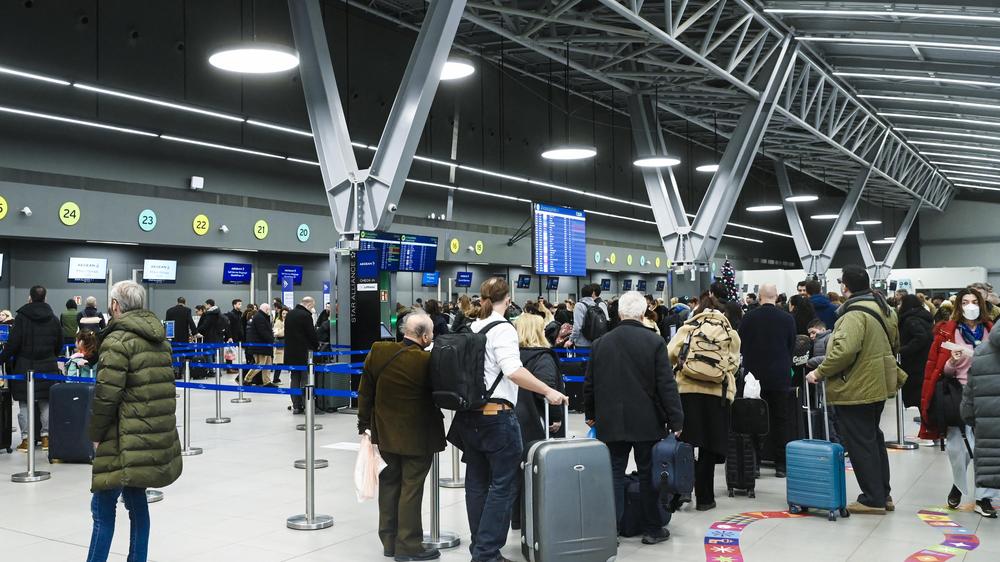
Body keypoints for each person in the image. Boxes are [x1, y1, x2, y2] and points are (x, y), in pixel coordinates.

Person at [448, 277, 567, 562]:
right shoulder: (503, 328)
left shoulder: (472, 327)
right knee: (504, 484)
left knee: (476, 482)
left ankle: (480, 546)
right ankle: (487, 553)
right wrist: (549, 390)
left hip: (469, 417)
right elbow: (513, 370)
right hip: (497, 418)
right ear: (508, 297)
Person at [87, 281, 182, 562]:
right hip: (149, 434)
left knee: (102, 509)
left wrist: (96, 433)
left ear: (115, 305)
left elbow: (107, 396)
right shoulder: (160, 339)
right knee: (137, 503)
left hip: (121, 435)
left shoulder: (116, 341)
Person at [806, 264, 904, 515]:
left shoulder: (852, 315)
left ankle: (872, 499)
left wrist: (819, 371)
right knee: (873, 437)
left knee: (861, 442)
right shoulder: (885, 308)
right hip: (879, 381)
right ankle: (883, 493)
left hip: (858, 385)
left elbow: (844, 351)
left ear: (845, 286)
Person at [586, 291, 683, 542]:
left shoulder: (600, 343)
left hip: (610, 421)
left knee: (614, 476)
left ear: (619, 313)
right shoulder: (654, 342)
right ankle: (652, 529)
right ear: (643, 313)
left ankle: (611, 531)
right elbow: (666, 385)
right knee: (647, 473)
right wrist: (676, 420)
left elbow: (590, 384)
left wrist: (591, 414)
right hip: (647, 421)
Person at [357, 312, 445, 561]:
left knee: (389, 485)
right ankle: (409, 545)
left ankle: (389, 541)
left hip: (384, 434)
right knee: (411, 488)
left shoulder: (379, 351)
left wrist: (364, 424)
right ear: (425, 335)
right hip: (418, 437)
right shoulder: (427, 361)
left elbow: (365, 392)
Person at [919, 288, 998, 516]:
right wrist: (952, 362)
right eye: (965, 301)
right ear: (958, 305)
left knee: (985, 450)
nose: (970, 306)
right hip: (958, 393)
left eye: (974, 301)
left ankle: (984, 498)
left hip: (987, 394)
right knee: (958, 447)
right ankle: (959, 483)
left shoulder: (991, 331)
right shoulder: (946, 332)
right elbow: (940, 369)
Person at [668, 292, 739, 510]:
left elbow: (670, 353)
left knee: (686, 443)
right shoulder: (730, 333)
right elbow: (733, 365)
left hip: (687, 391)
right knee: (709, 445)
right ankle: (706, 499)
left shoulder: (687, 329)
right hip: (717, 395)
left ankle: (682, 493)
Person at [510, 311, 564, 529]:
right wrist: (557, 418)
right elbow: (548, 389)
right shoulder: (542, 357)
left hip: (512, 419)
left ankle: (516, 518)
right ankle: (533, 518)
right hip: (535, 421)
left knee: (515, 470)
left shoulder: (510, 357)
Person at [739, 284, 797, 477]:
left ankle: (753, 464)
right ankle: (781, 465)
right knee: (781, 420)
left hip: (753, 378)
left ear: (760, 296)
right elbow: (791, 346)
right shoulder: (788, 319)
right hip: (780, 376)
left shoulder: (748, 317)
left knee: (753, 420)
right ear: (776, 296)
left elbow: (742, 344)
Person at [0, 285, 61, 451]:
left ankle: (26, 440)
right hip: (48, 367)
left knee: (25, 404)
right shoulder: (54, 319)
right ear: (45, 298)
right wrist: (51, 356)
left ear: (30, 298)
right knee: (46, 403)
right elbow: (59, 345)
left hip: (24, 367)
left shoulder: (21, 318)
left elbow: (12, 344)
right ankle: (46, 438)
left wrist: (1, 359)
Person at [961, 323, 1000, 518]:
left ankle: (984, 499)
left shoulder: (982, 350)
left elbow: (970, 389)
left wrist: (968, 415)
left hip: (986, 417)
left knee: (988, 457)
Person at [898, 295, 933, 410]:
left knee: (916, 394)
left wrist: (903, 350)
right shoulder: (923, 316)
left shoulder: (911, 319)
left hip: (915, 362)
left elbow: (921, 337)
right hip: (924, 359)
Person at [285, 297, 319, 414]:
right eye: (312, 306)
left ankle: (296, 405)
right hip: (304, 353)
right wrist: (316, 346)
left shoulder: (290, 314)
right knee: (306, 378)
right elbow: (312, 335)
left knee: (294, 378)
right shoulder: (306, 316)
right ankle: (307, 405)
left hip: (290, 353)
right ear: (309, 305)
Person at [570, 283, 609, 348]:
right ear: (591, 294)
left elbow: (577, 326)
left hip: (582, 343)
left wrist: (571, 339)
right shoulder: (596, 305)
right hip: (594, 342)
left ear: (581, 294)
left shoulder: (579, 305)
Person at [245, 304, 275, 387]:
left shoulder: (262, 317)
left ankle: (267, 381)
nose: (270, 311)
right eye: (269, 310)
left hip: (265, 346)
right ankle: (247, 379)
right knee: (259, 364)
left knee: (268, 364)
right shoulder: (259, 317)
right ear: (266, 309)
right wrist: (271, 339)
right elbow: (263, 332)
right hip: (260, 346)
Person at [272, 308, 288, 384]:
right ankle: (275, 378)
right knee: (279, 362)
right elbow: (276, 333)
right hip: (280, 343)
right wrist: (284, 329)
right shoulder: (278, 321)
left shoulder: (289, 321)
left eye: (286, 313)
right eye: (283, 313)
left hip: (287, 343)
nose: (285, 315)